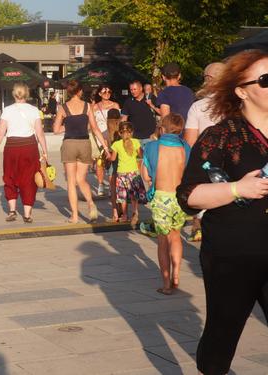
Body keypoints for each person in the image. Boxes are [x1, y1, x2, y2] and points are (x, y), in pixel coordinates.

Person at [176, 49, 268, 375]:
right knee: (222, 337)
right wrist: (236, 189)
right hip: (233, 254)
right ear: (242, 90)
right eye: (266, 80)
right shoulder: (221, 135)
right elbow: (188, 196)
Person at [141, 113, 190, 295]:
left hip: (161, 197)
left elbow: (145, 175)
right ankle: (176, 275)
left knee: (162, 241)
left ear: (162, 128)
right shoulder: (186, 147)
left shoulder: (152, 147)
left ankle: (166, 284)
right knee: (176, 236)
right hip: (178, 197)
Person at [53, 79, 108, 223]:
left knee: (71, 182)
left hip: (69, 144)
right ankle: (90, 203)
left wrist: (68, 126)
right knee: (81, 179)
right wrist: (105, 147)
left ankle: (75, 216)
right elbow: (95, 129)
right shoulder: (88, 106)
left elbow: (56, 130)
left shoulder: (63, 108)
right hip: (84, 143)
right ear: (79, 91)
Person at [0, 82, 49, 223]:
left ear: (14, 94)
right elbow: (40, 133)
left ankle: (12, 211)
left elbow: (0, 133)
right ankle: (27, 213)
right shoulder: (34, 110)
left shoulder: (7, 110)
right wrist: (45, 151)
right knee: (29, 179)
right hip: (29, 147)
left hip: (12, 147)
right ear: (27, 94)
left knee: (10, 176)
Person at [184, 61, 225, 242]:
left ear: (209, 80)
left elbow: (190, 142)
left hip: (206, 164)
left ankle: (198, 224)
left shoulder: (198, 107)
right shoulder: (240, 103)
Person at [108, 122, 146, 224]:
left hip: (121, 173)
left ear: (120, 133)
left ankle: (124, 215)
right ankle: (135, 211)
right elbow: (141, 154)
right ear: (132, 132)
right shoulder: (136, 142)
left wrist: (108, 155)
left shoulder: (116, 144)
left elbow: (113, 158)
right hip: (133, 173)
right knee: (134, 195)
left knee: (123, 196)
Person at [92, 84, 121, 196]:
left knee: (114, 162)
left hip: (114, 136)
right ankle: (100, 184)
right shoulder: (94, 107)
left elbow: (119, 122)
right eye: (104, 92)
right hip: (100, 137)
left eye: (109, 92)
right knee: (101, 162)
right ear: (99, 94)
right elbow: (93, 124)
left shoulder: (115, 105)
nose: (107, 94)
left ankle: (112, 185)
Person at [121, 81, 157, 146]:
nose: (133, 92)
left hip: (150, 136)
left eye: (135, 89)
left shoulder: (151, 98)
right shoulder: (128, 102)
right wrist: (124, 133)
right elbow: (124, 119)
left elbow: (161, 113)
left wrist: (156, 133)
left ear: (141, 88)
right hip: (135, 137)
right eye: (131, 90)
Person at [105, 109, 122, 221]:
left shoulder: (106, 133)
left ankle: (115, 212)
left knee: (113, 188)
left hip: (111, 162)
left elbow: (105, 150)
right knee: (122, 188)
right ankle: (123, 211)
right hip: (123, 164)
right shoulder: (123, 132)